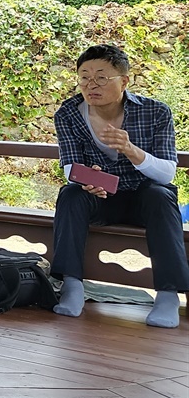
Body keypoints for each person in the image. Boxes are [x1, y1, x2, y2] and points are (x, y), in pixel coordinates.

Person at [51, 44, 187, 328]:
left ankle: (168, 294)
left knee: (162, 196)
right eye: (84, 77)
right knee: (71, 194)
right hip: (99, 197)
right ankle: (72, 286)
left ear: (124, 81)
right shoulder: (68, 113)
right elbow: (70, 165)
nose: (91, 85)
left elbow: (166, 173)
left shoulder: (155, 112)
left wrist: (130, 149)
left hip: (142, 198)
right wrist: (88, 179)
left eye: (102, 77)